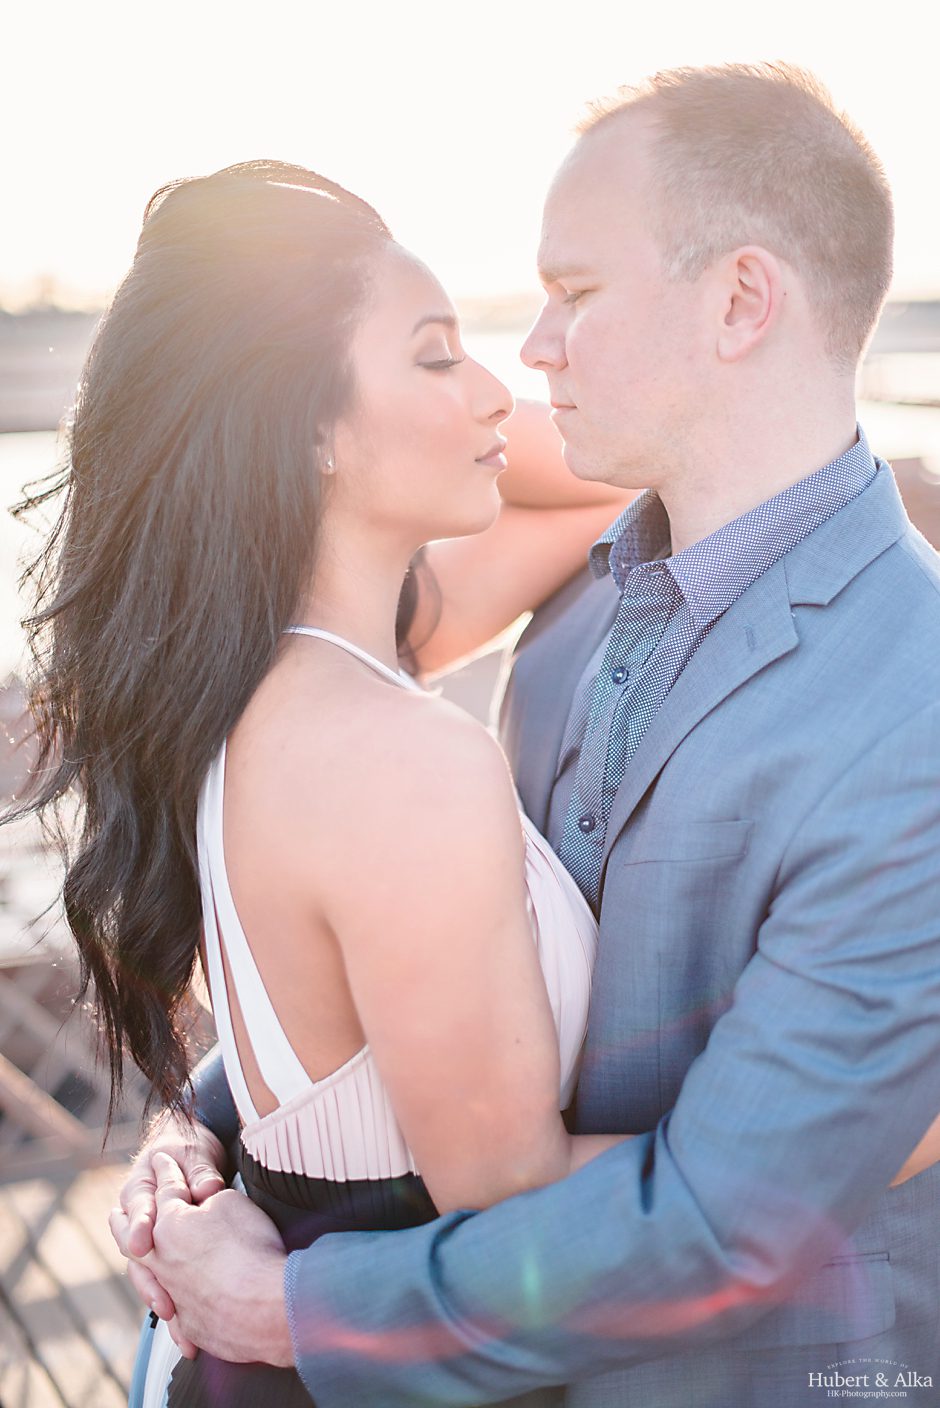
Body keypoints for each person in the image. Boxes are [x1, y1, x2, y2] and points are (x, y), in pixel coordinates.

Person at [114, 63, 940, 1408]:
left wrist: (292, 1306)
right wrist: (218, 1127)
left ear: (741, 300)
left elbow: (731, 1224)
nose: (536, 349)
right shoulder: (570, 625)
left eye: (577, 293)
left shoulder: (913, 702)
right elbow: (442, 982)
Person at [14, 157, 661, 1407]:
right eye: (434, 355)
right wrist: (846, 1133)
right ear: (306, 425)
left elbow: (629, 480)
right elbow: (509, 1195)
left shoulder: (261, 690)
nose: (497, 386)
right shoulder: (392, 757)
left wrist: (444, 404)